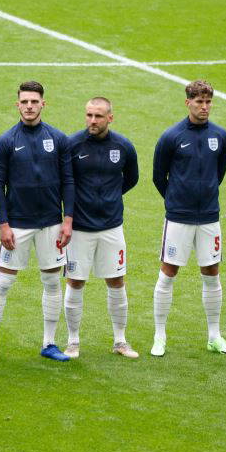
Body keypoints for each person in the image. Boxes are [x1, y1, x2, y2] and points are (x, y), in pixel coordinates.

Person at [0, 81, 75, 363]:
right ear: (17, 105)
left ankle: (49, 343)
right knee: (3, 282)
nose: (30, 106)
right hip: (18, 225)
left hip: (51, 224)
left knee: (51, 282)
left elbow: (69, 181)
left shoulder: (59, 139)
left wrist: (67, 219)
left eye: (34, 101)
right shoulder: (6, 141)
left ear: (43, 104)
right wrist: (3, 224)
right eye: (25, 102)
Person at [151, 79, 226, 356]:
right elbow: (158, 176)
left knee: (211, 273)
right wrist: (176, 199)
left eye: (208, 102)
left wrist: (204, 194)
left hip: (210, 217)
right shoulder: (171, 136)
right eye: (199, 102)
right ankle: (159, 336)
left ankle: (214, 336)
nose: (204, 107)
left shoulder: (220, 136)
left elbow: (218, 173)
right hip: (179, 218)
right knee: (168, 272)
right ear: (188, 103)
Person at [63, 97, 140, 359]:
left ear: (110, 117)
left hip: (111, 227)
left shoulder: (123, 146)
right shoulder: (72, 145)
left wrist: (110, 198)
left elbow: (132, 178)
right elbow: (65, 182)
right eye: (89, 115)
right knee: (75, 281)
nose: (92, 121)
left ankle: (120, 341)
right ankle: (73, 341)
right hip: (80, 229)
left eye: (98, 116)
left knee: (116, 281)